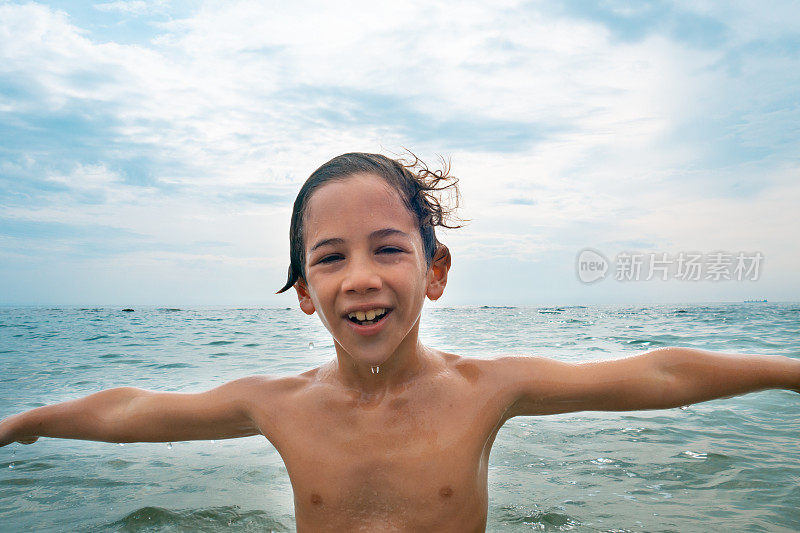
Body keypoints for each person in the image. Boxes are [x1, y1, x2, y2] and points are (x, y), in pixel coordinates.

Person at [1, 152, 798, 532]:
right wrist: (20, 422)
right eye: (330, 258)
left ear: (435, 270)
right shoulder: (277, 406)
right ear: (307, 294)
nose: (361, 277)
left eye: (387, 248)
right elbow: (137, 408)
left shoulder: (487, 388)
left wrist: (790, 370)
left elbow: (655, 371)